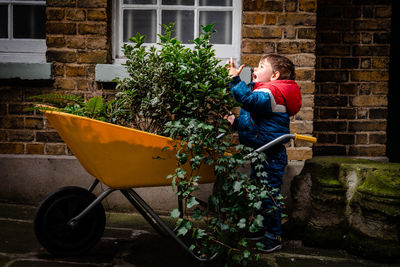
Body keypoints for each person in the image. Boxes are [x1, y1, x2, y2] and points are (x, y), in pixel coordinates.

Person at [225, 54, 302, 253]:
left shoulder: (271, 93)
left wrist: (235, 80)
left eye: (261, 66)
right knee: (258, 192)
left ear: (275, 75)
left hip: (272, 156)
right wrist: (236, 123)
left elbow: (248, 101)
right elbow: (255, 123)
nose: (255, 70)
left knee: (269, 195)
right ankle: (259, 227)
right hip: (260, 154)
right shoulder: (265, 92)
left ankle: (273, 235)